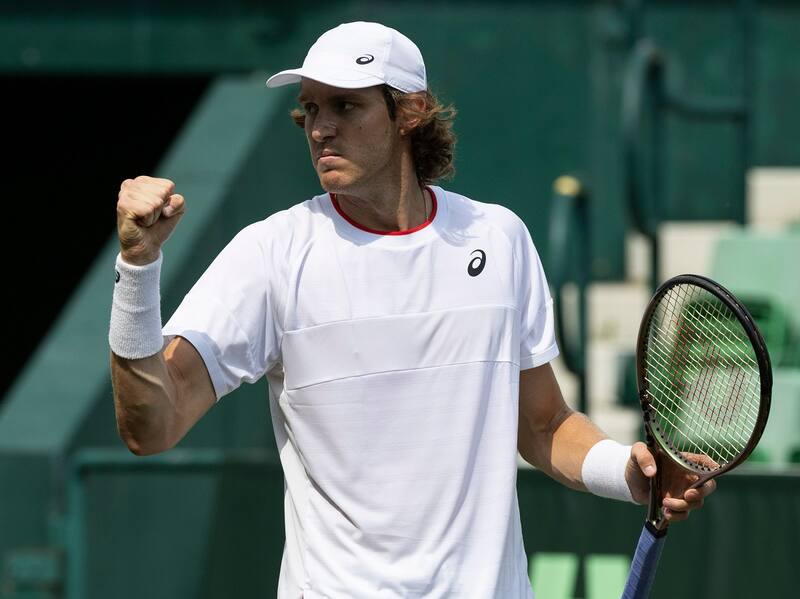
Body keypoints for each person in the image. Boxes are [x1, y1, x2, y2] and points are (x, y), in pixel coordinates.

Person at [109, 21, 716, 599]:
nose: (321, 128)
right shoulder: (270, 254)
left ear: (411, 111)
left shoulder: (500, 239)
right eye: (312, 109)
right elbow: (152, 425)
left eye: (345, 107)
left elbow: (542, 424)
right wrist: (137, 271)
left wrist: (628, 471)